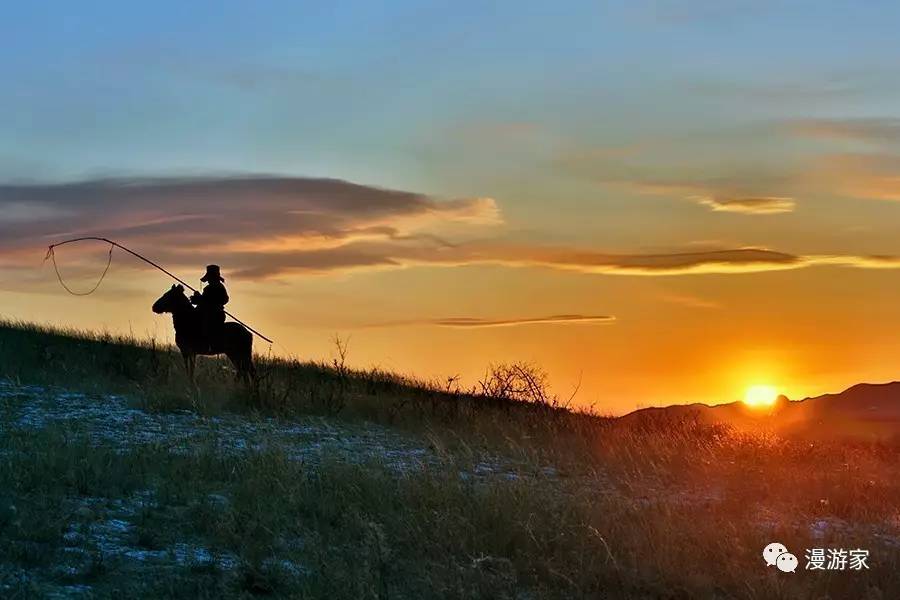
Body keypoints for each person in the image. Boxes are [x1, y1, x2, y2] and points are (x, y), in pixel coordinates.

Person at [191, 265, 229, 349]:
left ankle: (207, 345)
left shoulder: (213, 288)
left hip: (213, 316)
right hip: (217, 314)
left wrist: (199, 299)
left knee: (203, 325)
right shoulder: (216, 287)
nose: (208, 281)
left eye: (209, 278)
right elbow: (206, 301)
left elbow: (206, 302)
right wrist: (199, 299)